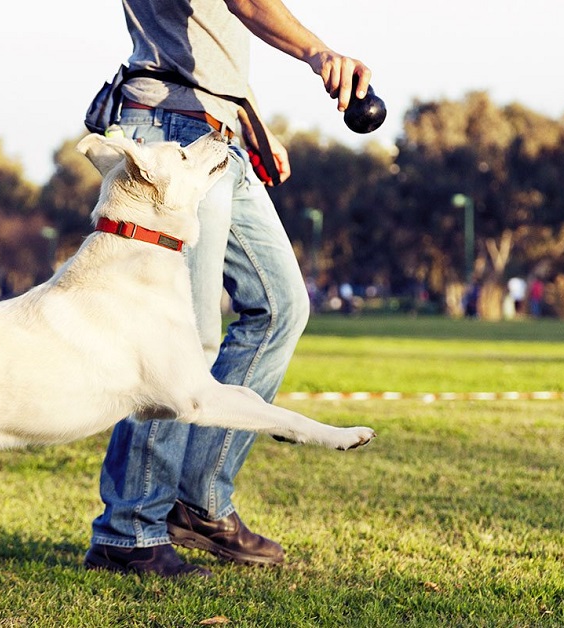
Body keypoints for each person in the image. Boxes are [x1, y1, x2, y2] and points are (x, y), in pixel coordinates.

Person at [82, 0, 375, 577]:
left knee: (280, 307)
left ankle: (198, 502)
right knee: (181, 344)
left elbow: (211, 37)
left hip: (217, 136)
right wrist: (319, 53)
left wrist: (249, 119)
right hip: (171, 136)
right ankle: (130, 530)